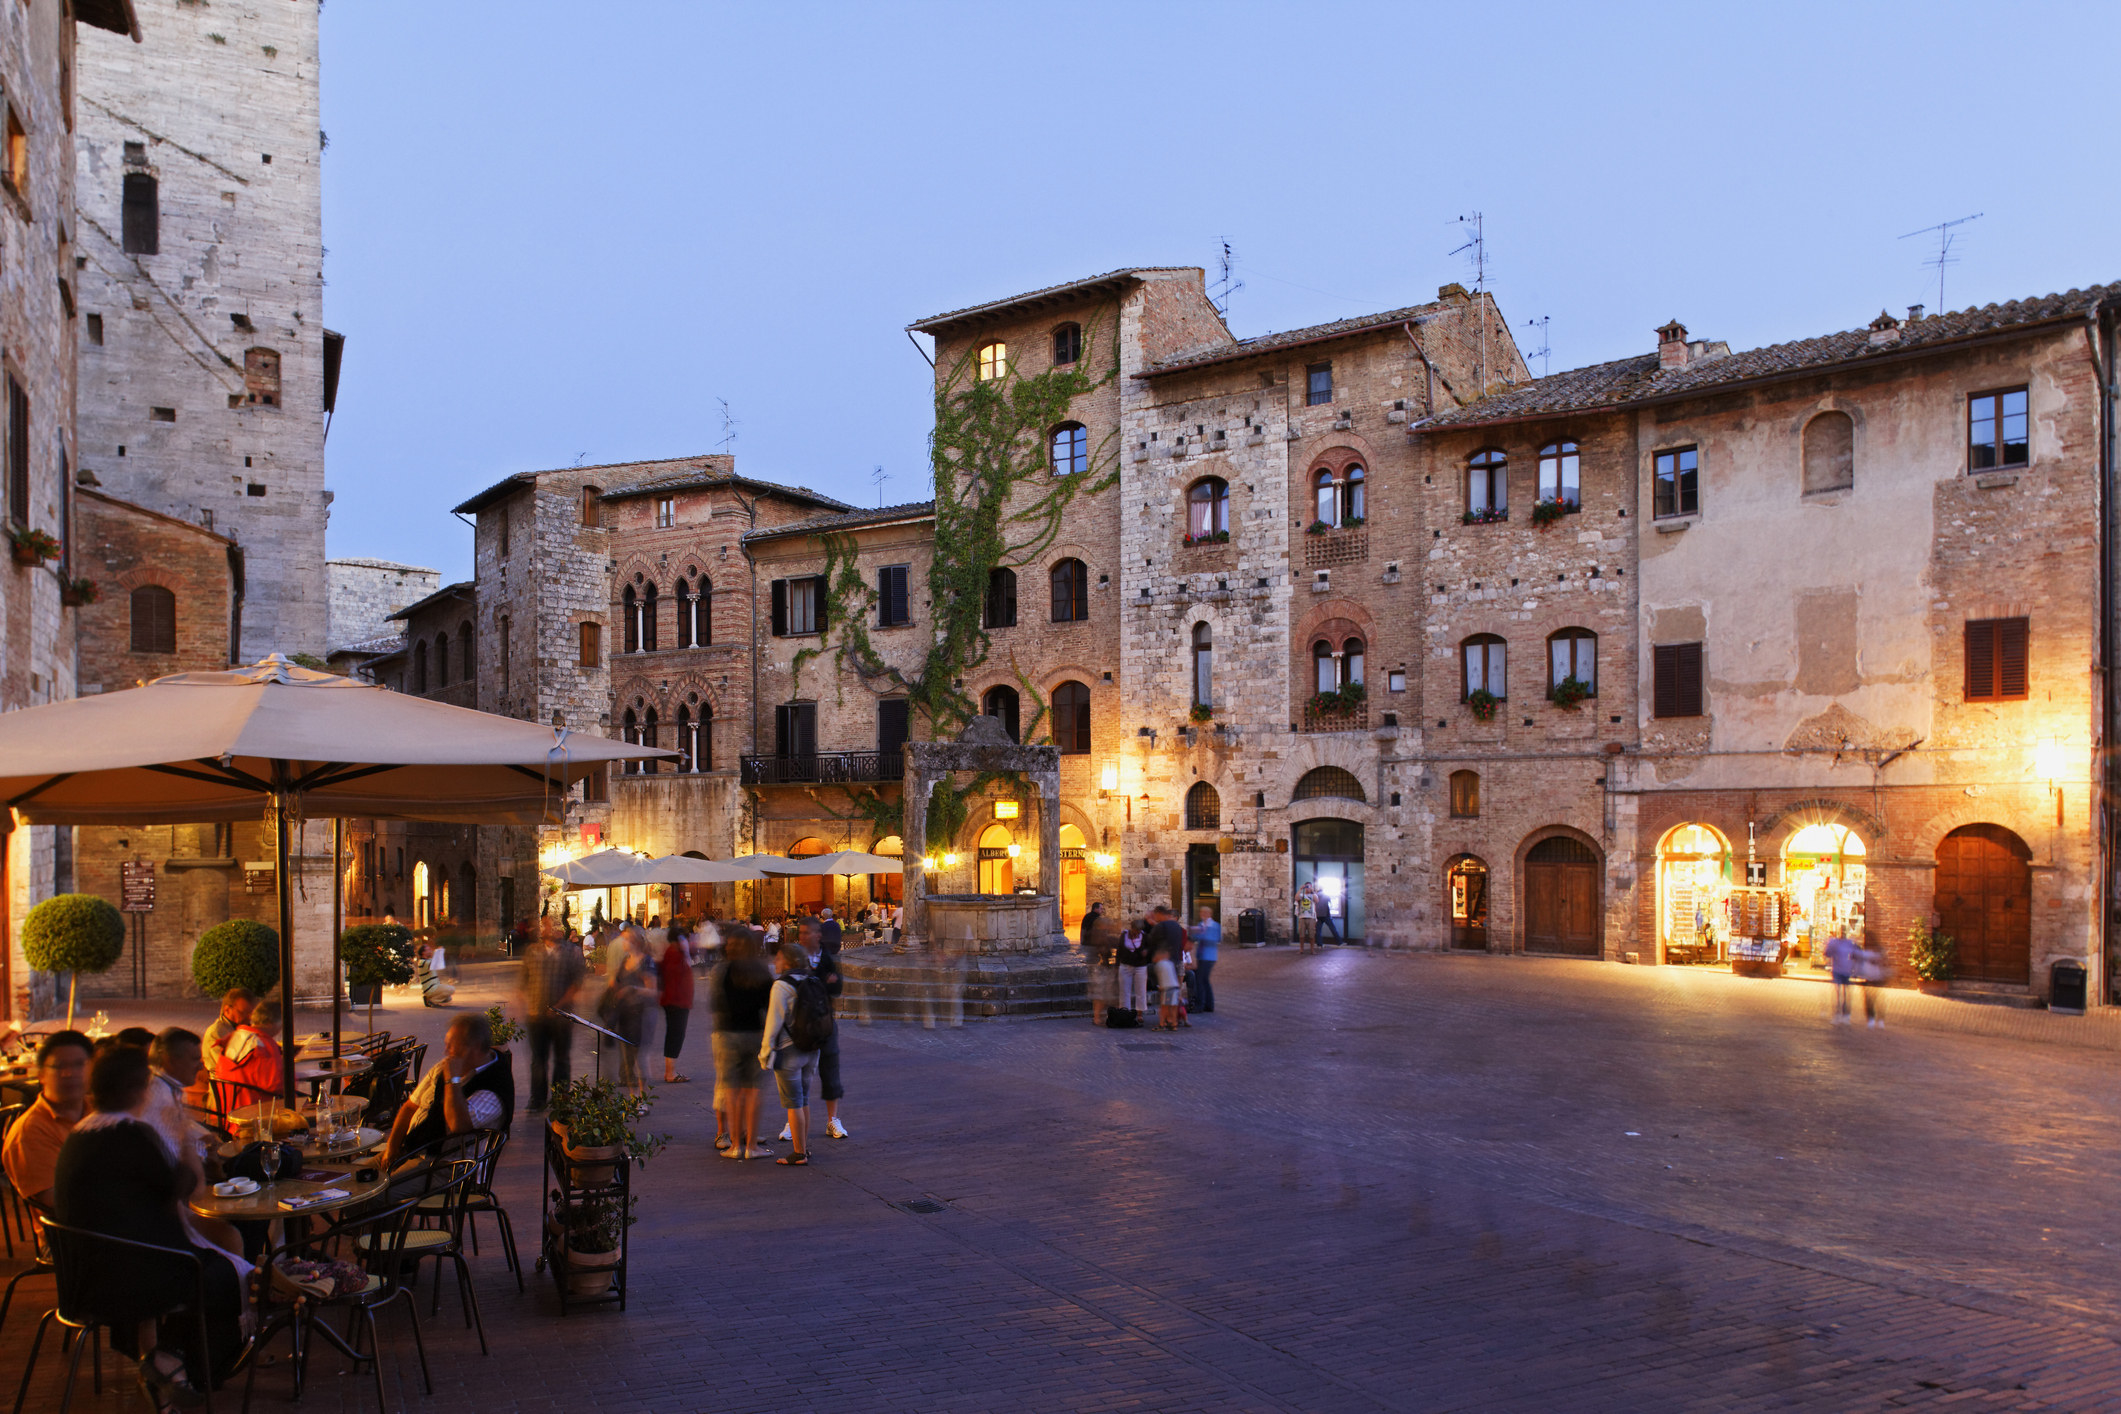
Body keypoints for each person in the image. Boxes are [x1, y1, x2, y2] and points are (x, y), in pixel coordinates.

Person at [55, 1046, 251, 1407]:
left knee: (207, 1255)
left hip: (84, 1274)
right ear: (138, 1090)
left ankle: (165, 1362)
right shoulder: (131, 1135)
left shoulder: (80, 1134)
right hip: (125, 1278)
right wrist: (181, 1136)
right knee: (220, 1272)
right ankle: (182, 1365)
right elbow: (190, 1187)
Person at [380, 1011, 515, 1171]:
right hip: (412, 1148)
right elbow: (410, 1107)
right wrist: (392, 1148)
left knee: (377, 1194)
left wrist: (452, 1079)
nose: (446, 1051)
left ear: (474, 1048)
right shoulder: (445, 1066)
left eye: (452, 1046)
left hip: (444, 1168)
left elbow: (458, 1124)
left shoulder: (494, 1086)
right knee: (357, 1177)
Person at [2, 1028, 91, 1207]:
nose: (69, 1073)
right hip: (79, 1230)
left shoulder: (100, 1110)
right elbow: (58, 1204)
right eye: (59, 1066)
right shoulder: (30, 1132)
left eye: (79, 1064)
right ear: (41, 1075)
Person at [781, 915, 849, 1141]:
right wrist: (823, 982)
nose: (801, 937)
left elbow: (836, 985)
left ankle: (833, 1119)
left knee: (830, 1069)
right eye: (800, 933)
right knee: (799, 1072)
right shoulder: (796, 956)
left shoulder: (827, 957)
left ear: (817, 935)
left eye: (805, 933)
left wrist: (828, 981)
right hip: (801, 1022)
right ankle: (793, 1121)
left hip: (824, 1021)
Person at [758, 942, 826, 1167]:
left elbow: (773, 1022)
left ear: (787, 961)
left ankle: (798, 1153)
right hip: (812, 1047)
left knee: (793, 1102)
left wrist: (765, 1052)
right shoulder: (813, 979)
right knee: (804, 1099)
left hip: (789, 1049)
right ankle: (803, 1148)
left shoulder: (782, 986)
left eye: (778, 958)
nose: (775, 962)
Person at [711, 928, 775, 1160]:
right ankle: (751, 1146)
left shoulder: (722, 971)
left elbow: (716, 1004)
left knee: (732, 1091)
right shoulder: (761, 971)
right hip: (755, 1034)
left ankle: (735, 1145)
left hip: (727, 1034)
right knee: (753, 1091)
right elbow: (770, 1006)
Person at [520, 916, 586, 1112]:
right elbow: (524, 981)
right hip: (536, 1015)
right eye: (543, 926)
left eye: (550, 926)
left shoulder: (571, 952)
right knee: (538, 1059)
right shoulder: (533, 951)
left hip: (562, 1016)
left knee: (561, 1058)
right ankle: (537, 1099)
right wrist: (528, 1005)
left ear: (559, 930)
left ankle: (560, 1098)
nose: (545, 929)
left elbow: (577, 983)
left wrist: (559, 1006)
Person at [602, 924, 659, 1092]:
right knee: (626, 1057)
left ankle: (642, 1099)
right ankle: (633, 1099)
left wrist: (633, 989)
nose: (623, 941)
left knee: (639, 1056)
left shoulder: (646, 962)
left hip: (642, 1013)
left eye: (626, 938)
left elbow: (653, 991)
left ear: (635, 941)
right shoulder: (625, 960)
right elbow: (617, 982)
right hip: (625, 1013)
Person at [214, 999, 284, 1111]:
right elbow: (275, 1085)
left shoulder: (233, 1036)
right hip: (257, 1112)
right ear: (271, 1023)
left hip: (229, 1110)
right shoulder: (263, 1045)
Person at [660, 921, 696, 1084]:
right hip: (677, 1001)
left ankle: (670, 1071)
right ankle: (670, 1073)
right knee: (676, 1034)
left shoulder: (673, 952)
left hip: (673, 1000)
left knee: (673, 1034)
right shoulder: (676, 954)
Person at [199, 989, 255, 1088]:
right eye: (243, 1013)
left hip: (241, 1083)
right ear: (227, 1010)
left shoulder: (244, 1027)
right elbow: (227, 1067)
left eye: (251, 1014)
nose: (249, 1018)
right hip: (225, 1088)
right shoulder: (216, 1032)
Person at [1147, 906, 1189, 1032]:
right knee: (1174, 996)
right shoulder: (1177, 927)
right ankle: (1173, 1021)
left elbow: (1151, 941)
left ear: (1160, 914)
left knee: (1164, 997)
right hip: (1176, 960)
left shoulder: (1161, 926)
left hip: (1165, 964)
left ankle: (1164, 1022)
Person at [1083, 904, 1117, 1026]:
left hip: (1099, 966)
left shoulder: (1096, 934)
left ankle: (1099, 1016)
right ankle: (1097, 1016)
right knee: (1100, 993)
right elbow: (1105, 945)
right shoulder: (1098, 936)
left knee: (1102, 993)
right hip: (1099, 967)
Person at [1116, 919, 1151, 1018]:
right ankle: (1125, 1013)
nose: (1137, 933)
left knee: (1141, 990)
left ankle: (1139, 1014)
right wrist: (1116, 965)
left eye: (1139, 931)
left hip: (1140, 966)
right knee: (1124, 991)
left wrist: (1146, 952)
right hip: (1125, 965)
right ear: (1132, 928)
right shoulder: (1124, 935)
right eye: (1136, 930)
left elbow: (1150, 948)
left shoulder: (1144, 937)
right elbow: (1119, 951)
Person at [1189, 906, 1221, 1015]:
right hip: (1201, 955)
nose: (1202, 914)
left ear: (1209, 914)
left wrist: (1202, 934)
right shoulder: (1200, 925)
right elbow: (1196, 937)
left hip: (1209, 956)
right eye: (1201, 912)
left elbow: (1215, 939)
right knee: (1205, 980)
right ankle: (1209, 1005)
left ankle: (1200, 1005)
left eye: (1204, 912)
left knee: (1200, 980)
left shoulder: (1214, 925)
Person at [1824, 930, 1859, 1025]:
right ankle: (1841, 1015)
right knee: (1841, 994)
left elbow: (1856, 954)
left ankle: (1844, 1015)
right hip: (1840, 970)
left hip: (1844, 970)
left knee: (1844, 994)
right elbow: (1827, 953)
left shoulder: (1847, 943)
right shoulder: (1840, 943)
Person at [1295, 883, 1319, 954]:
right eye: (1307, 886)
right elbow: (1296, 898)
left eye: (1309, 887)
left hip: (1311, 917)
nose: (1308, 888)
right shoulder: (1302, 895)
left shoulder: (1313, 895)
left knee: (1312, 935)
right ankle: (1301, 949)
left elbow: (1317, 900)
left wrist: (1312, 891)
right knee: (1301, 935)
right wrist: (1300, 889)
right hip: (1302, 917)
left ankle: (1312, 950)